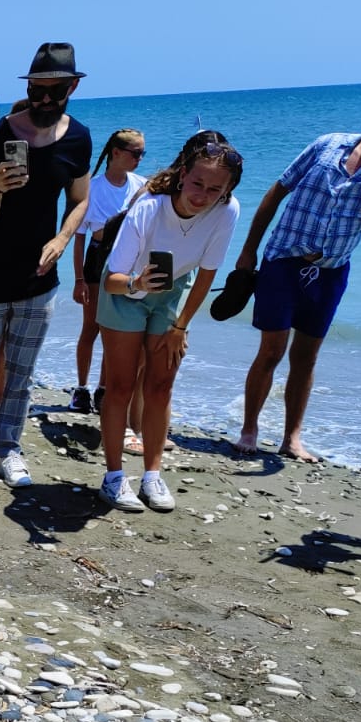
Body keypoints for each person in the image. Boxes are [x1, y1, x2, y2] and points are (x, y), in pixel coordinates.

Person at [0, 42, 91, 493]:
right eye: (39, 90)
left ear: (71, 88)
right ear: (30, 87)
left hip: (38, 280)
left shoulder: (79, 137)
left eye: (56, 91)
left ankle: (9, 450)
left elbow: (81, 200)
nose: (46, 100)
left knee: (22, 377)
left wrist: (63, 238)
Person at [231, 93, 361, 462]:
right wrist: (248, 251)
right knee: (272, 350)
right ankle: (249, 430)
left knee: (306, 357)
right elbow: (277, 191)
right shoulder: (328, 145)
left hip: (331, 270)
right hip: (283, 260)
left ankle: (292, 438)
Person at [97, 132, 242, 513]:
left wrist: (180, 328)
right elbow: (113, 279)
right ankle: (113, 477)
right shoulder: (148, 208)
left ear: (227, 190)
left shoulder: (227, 212)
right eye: (197, 183)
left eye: (215, 189)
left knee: (161, 384)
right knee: (121, 385)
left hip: (174, 292)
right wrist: (137, 283)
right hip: (126, 289)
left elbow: (207, 276)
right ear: (182, 176)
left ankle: (152, 474)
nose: (202, 195)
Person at [70, 129, 145, 413]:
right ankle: (81, 388)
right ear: (116, 152)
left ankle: (103, 389)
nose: (139, 159)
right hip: (98, 257)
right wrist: (78, 279)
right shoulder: (92, 187)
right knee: (91, 327)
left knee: (115, 329)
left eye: (142, 154)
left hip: (128, 260)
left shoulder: (141, 185)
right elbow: (78, 237)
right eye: (135, 153)